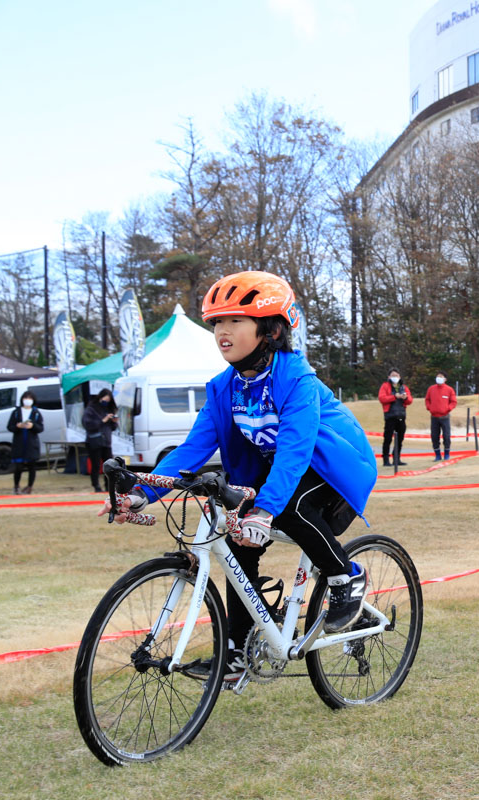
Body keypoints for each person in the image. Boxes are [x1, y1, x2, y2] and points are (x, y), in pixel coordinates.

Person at [101, 271, 378, 681]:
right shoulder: (223, 388)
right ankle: (237, 650)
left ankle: (346, 577)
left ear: (270, 329)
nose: (221, 332)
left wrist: (265, 509)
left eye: (235, 321)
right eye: (216, 323)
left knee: (287, 510)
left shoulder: (296, 378)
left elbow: (295, 450)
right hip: (278, 471)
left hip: (330, 469)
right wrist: (143, 492)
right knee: (235, 536)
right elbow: (192, 449)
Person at [7, 390, 43, 495]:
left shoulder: (36, 413)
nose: (27, 400)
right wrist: (17, 426)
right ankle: (16, 485)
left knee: (32, 466)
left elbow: (40, 428)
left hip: (32, 443)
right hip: (19, 443)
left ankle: (30, 486)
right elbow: (10, 426)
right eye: (25, 398)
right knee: (18, 466)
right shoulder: (16, 412)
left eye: (30, 398)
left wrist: (33, 426)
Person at [82, 389, 118, 492]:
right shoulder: (91, 409)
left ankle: (109, 486)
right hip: (94, 441)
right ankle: (96, 486)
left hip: (106, 441)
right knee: (96, 465)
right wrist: (103, 420)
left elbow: (113, 427)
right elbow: (87, 424)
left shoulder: (109, 409)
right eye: (105, 398)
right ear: (100, 397)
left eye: (108, 399)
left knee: (110, 465)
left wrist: (114, 422)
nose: (106, 401)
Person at [378, 368, 412, 467]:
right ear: (389, 377)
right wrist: (394, 396)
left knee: (400, 439)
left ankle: (397, 459)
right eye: (393, 375)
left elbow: (410, 400)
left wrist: (406, 398)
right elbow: (382, 398)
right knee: (387, 438)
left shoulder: (404, 387)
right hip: (390, 416)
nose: (395, 377)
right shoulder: (385, 386)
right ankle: (386, 460)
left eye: (396, 375)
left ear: (400, 377)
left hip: (401, 416)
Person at [424, 370, 457, 461]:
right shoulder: (431, 389)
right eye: (438, 376)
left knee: (446, 436)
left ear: (445, 379)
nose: (439, 378)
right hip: (434, 417)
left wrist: (448, 408)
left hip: (445, 417)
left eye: (441, 377)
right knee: (434, 436)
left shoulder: (449, 389)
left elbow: (453, 402)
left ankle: (447, 454)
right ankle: (437, 455)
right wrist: (429, 408)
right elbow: (427, 400)